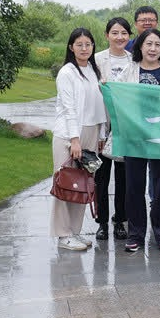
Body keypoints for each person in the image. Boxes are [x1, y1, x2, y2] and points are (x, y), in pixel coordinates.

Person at [121, 29, 160, 252]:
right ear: (140, 47)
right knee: (134, 187)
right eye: (148, 44)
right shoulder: (129, 70)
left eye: (157, 44)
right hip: (134, 137)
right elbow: (118, 98)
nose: (153, 49)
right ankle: (135, 234)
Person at [51, 28, 107, 251]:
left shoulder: (93, 70)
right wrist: (75, 140)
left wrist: (101, 134)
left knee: (83, 183)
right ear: (71, 47)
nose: (84, 48)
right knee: (65, 182)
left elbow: (99, 105)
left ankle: (75, 231)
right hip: (69, 133)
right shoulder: (67, 72)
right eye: (79, 44)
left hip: (92, 130)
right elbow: (69, 108)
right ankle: (63, 234)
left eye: (88, 44)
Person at [93, 17, 131, 241]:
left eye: (124, 33)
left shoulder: (134, 60)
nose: (119, 37)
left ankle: (120, 221)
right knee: (101, 178)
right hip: (103, 126)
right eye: (115, 33)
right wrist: (99, 130)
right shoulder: (97, 60)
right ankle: (102, 223)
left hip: (125, 128)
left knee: (124, 179)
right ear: (107, 35)